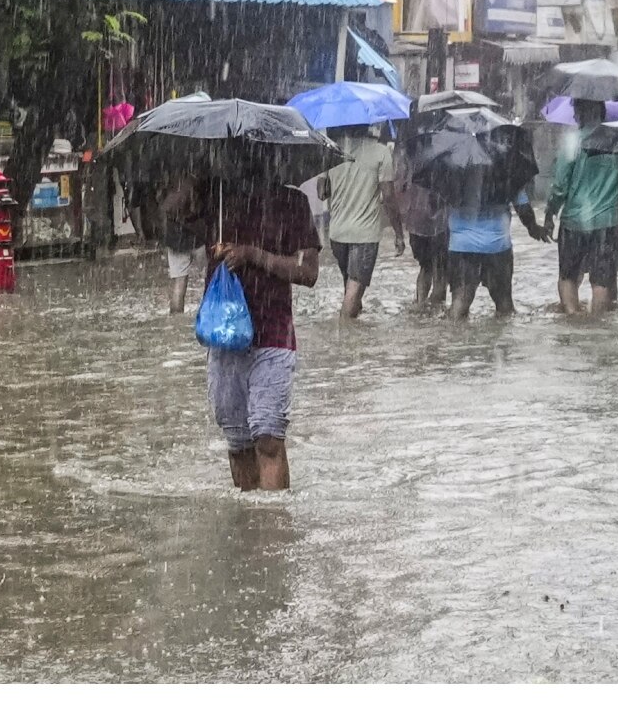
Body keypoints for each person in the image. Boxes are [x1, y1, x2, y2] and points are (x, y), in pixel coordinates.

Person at [182, 170, 322, 492]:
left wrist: (254, 255)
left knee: (268, 438)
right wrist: (189, 176)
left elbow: (309, 272)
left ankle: (272, 525)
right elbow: (171, 212)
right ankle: (251, 524)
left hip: (274, 334)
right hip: (224, 337)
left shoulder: (291, 202)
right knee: (239, 443)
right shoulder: (212, 197)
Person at [542, 98, 618, 316]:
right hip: (609, 222)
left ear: (584, 110)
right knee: (601, 279)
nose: (573, 115)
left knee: (568, 276)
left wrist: (550, 212)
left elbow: (560, 185)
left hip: (575, 221)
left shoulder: (573, 141)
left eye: (576, 109)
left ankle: (574, 320)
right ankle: (597, 327)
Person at [318, 125, 405, 319]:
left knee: (350, 288)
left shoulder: (331, 151)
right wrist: (399, 234)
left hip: (337, 233)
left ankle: (354, 338)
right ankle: (343, 336)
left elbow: (321, 193)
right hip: (364, 236)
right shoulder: (381, 152)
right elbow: (389, 197)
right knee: (354, 289)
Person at [448, 187, 551, 320]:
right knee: (504, 304)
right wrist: (533, 228)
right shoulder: (507, 171)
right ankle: (504, 340)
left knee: (460, 300)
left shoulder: (454, 172)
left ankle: (453, 338)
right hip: (497, 246)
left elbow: (436, 203)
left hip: (461, 246)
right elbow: (522, 207)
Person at [394, 142, 449, 308]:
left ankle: (420, 305)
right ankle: (435, 311)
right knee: (441, 269)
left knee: (425, 267)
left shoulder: (410, 154)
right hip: (439, 223)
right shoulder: (445, 156)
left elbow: (399, 186)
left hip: (416, 222)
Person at [160, 173, 203, 313]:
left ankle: (175, 322)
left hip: (174, 235)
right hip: (198, 234)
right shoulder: (198, 177)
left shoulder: (170, 176)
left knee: (179, 283)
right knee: (212, 277)